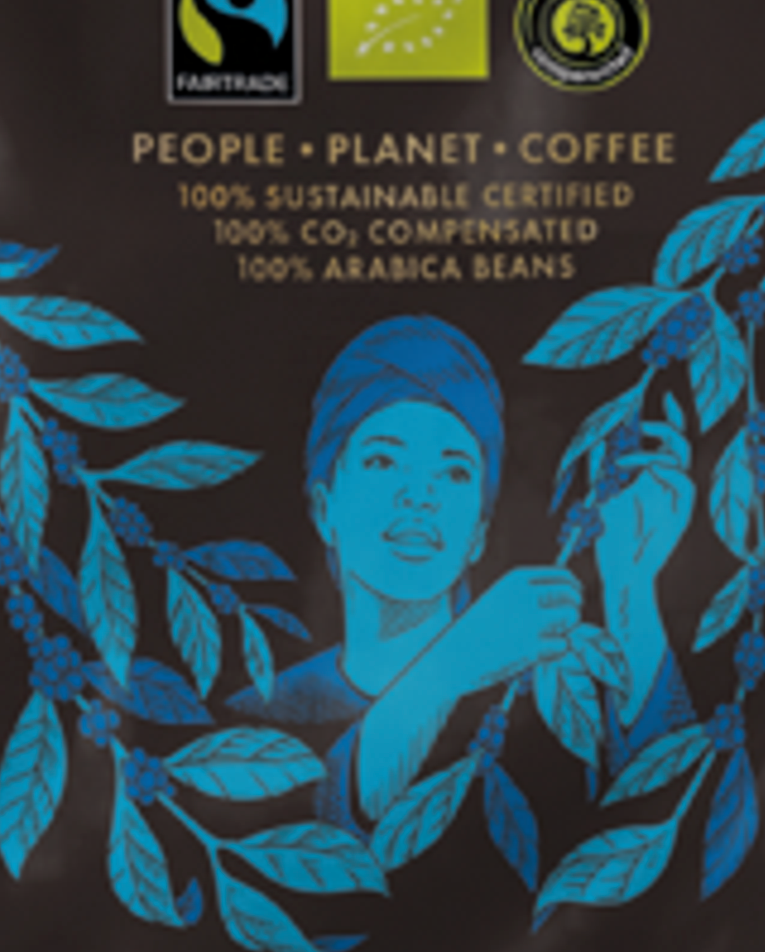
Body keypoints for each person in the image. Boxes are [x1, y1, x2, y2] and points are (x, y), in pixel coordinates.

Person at [230, 317, 696, 833]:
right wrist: (451, 666)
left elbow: (668, 824)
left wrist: (631, 583)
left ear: (478, 532)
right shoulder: (260, 717)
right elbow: (305, 842)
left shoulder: (547, 692)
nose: (419, 495)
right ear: (324, 510)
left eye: (454, 472)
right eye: (383, 461)